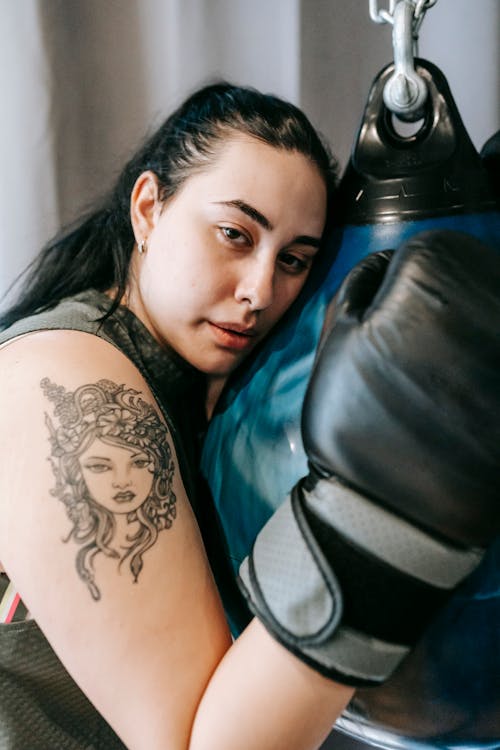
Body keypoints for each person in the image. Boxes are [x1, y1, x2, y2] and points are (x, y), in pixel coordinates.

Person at [0, 81, 353, 750]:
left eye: (294, 261)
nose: (258, 291)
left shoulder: (201, 403)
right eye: (233, 234)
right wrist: (380, 523)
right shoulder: (69, 381)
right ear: (148, 210)